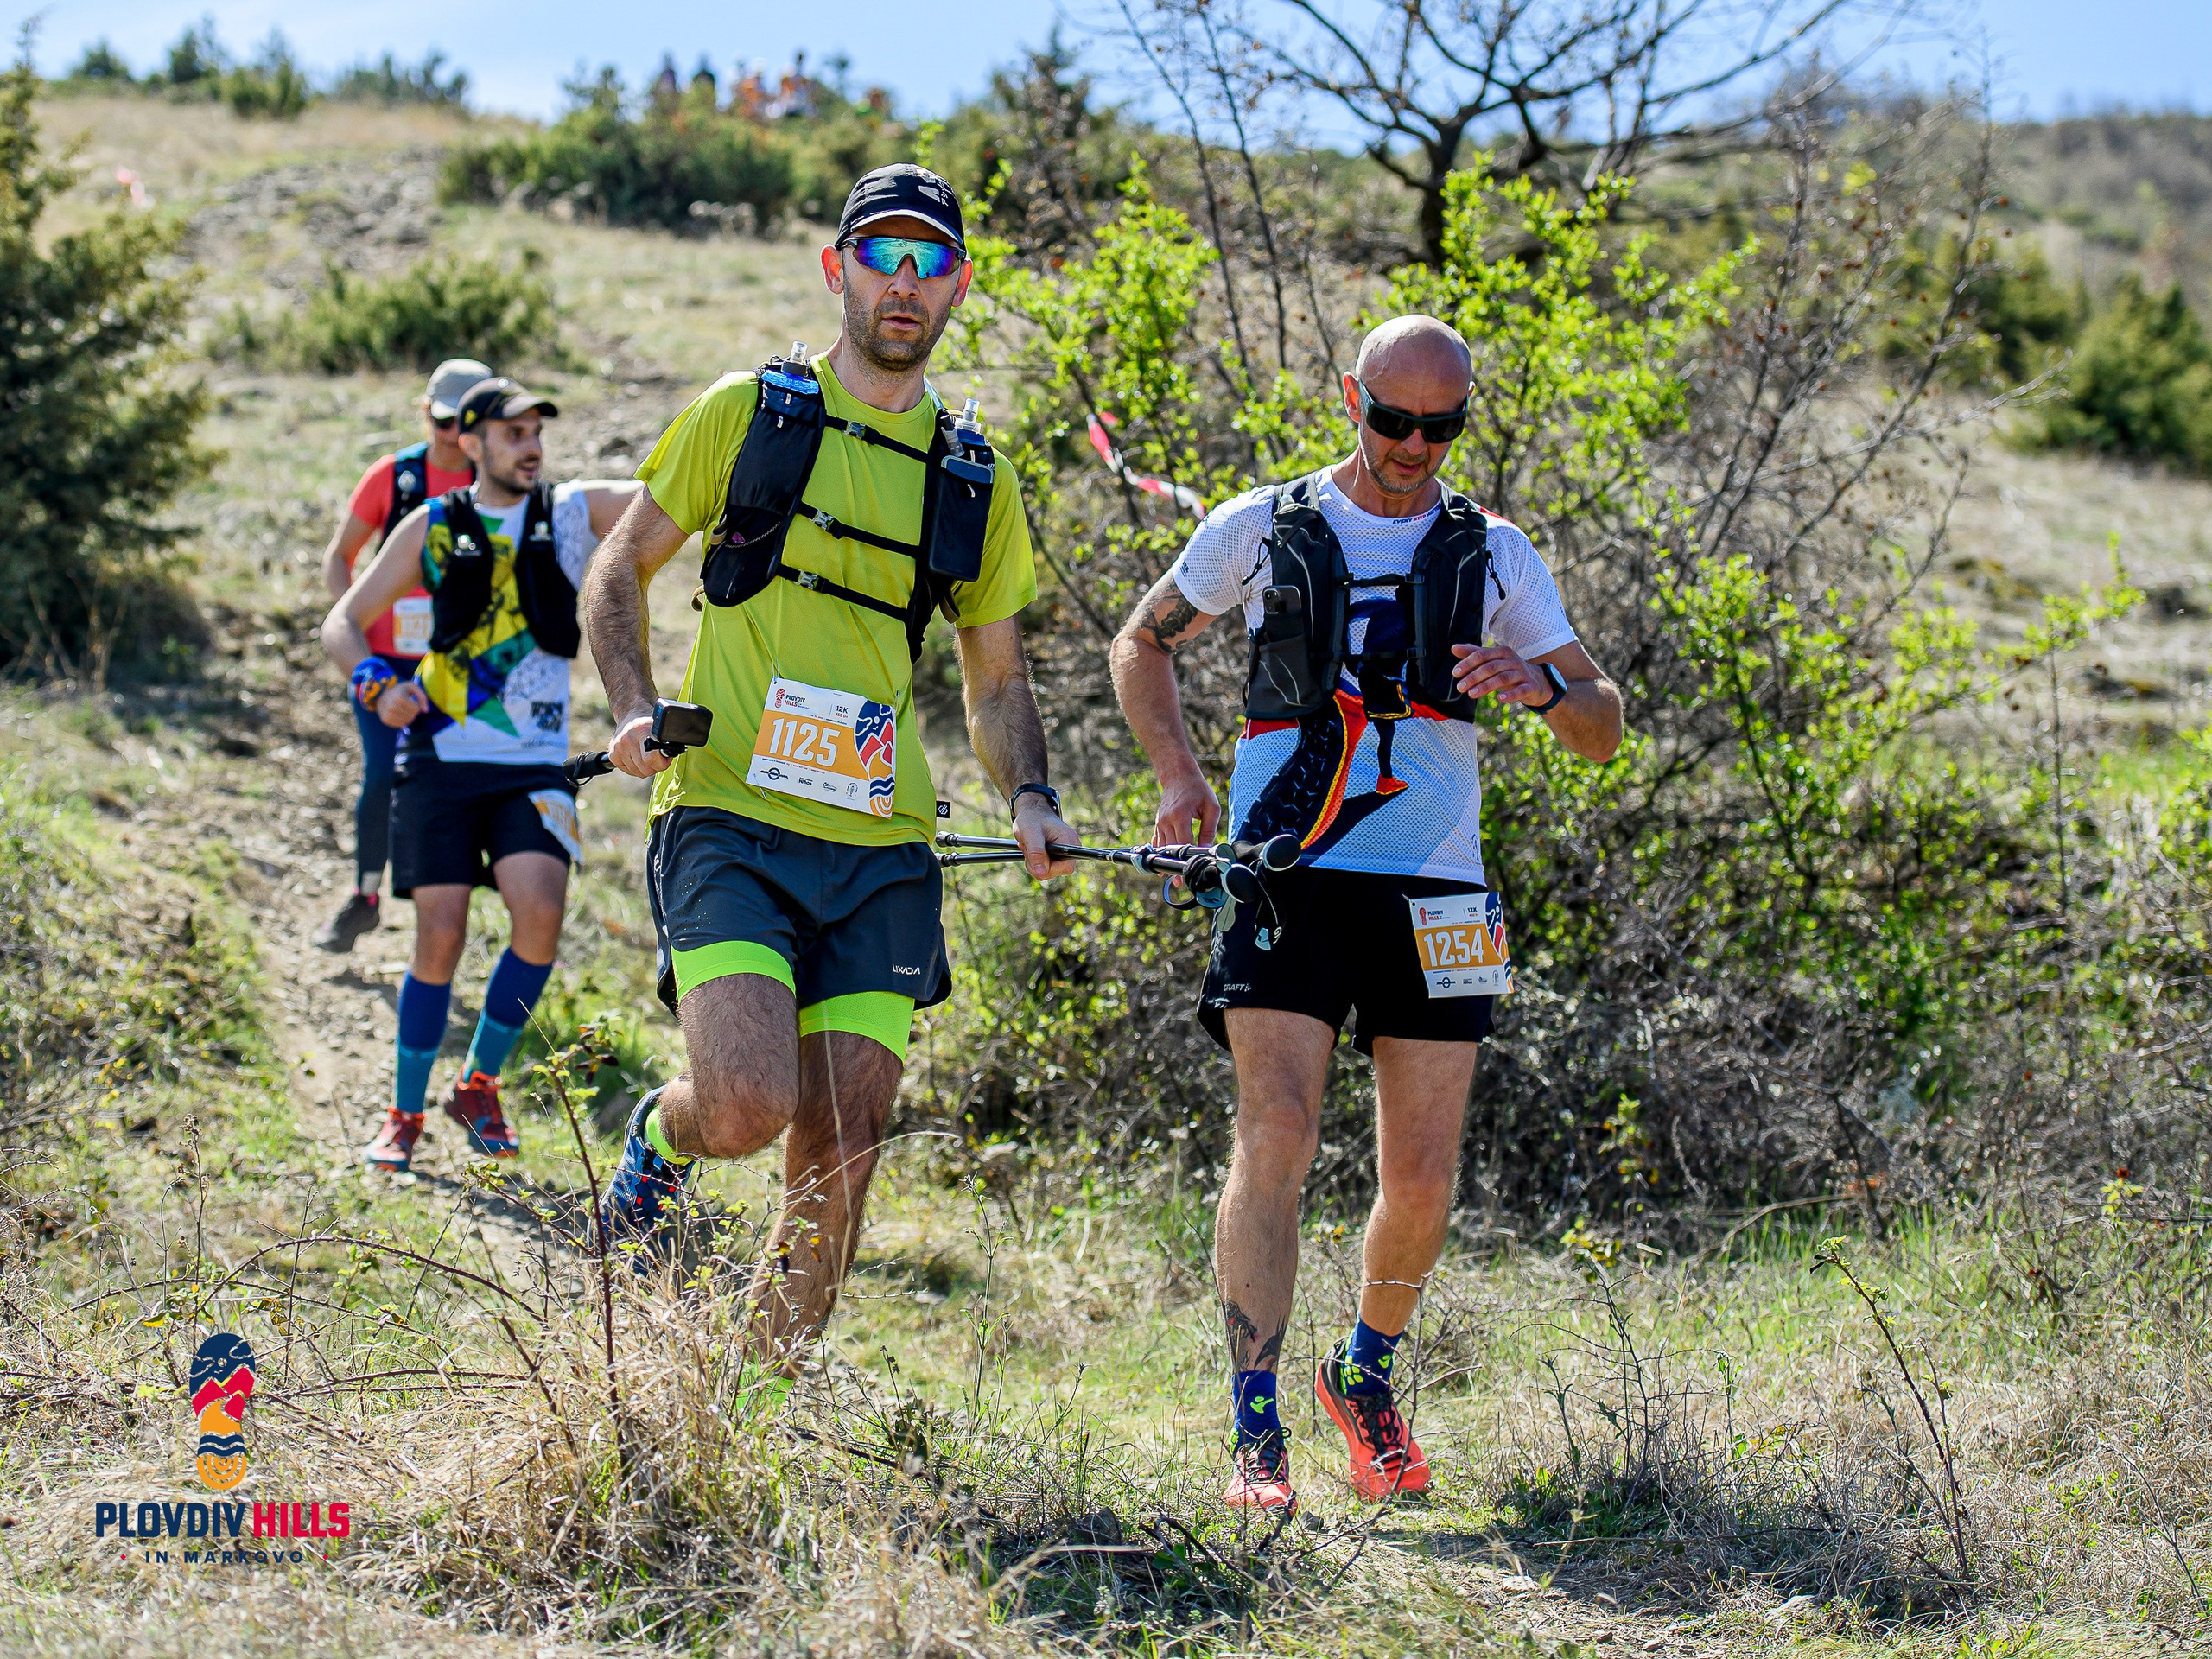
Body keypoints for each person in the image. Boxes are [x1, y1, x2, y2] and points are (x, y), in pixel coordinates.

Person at [1109, 315, 1624, 1513]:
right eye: (1391, 419)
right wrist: (1182, 780)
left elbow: (1603, 726)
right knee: (1278, 1133)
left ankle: (1368, 1372)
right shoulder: (1265, 524)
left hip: (1441, 885)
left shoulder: (1494, 552)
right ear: (1353, 396)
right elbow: (1142, 639)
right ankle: (1256, 1423)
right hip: (1289, 872)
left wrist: (1542, 686)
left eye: (1439, 428)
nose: (1411, 446)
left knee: (1426, 1173)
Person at [581, 163, 1075, 1366]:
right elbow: (618, 570)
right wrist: (638, 705)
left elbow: (996, 678)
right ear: (837, 269)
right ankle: (662, 1138)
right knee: (749, 1107)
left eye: (929, 263)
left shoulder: (974, 476)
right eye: (880, 257)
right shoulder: (749, 411)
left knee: (844, 1145)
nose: (903, 284)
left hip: (881, 851)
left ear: (957, 285)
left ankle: (750, 1402)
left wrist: (1030, 794)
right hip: (732, 819)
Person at [321, 378, 644, 1172]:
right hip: (437, 761)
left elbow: (662, 494)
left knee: (540, 915)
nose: (531, 446)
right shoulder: (432, 524)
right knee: (441, 935)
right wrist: (375, 684)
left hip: (534, 767)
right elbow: (343, 621)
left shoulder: (570, 513)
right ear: (470, 443)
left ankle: (478, 1084)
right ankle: (402, 1113)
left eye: (537, 431)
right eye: (513, 433)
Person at [313, 358, 492, 953]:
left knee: (445, 784)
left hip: (454, 666)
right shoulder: (393, 478)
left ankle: (441, 916)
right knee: (383, 774)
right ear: (426, 413)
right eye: (443, 420)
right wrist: (354, 618)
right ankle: (364, 897)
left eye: (464, 422)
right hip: (382, 661)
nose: (451, 434)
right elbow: (340, 556)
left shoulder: (496, 488)